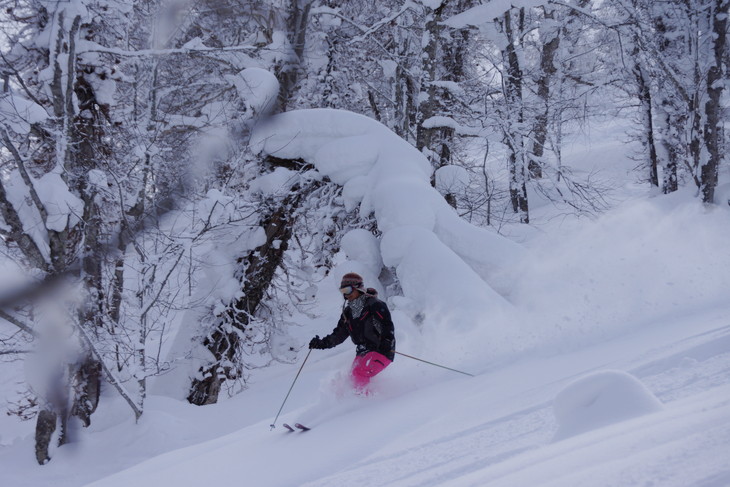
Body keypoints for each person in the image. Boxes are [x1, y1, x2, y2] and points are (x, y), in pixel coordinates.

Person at [309, 272, 396, 394]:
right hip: (362, 352)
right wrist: (321, 343)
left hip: (380, 350)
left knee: (359, 373)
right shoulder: (348, 313)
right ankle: (366, 399)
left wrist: (386, 342)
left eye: (347, 290)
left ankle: (365, 404)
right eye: (342, 291)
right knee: (351, 378)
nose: (345, 294)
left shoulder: (374, 305)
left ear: (358, 288)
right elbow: (338, 335)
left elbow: (386, 325)